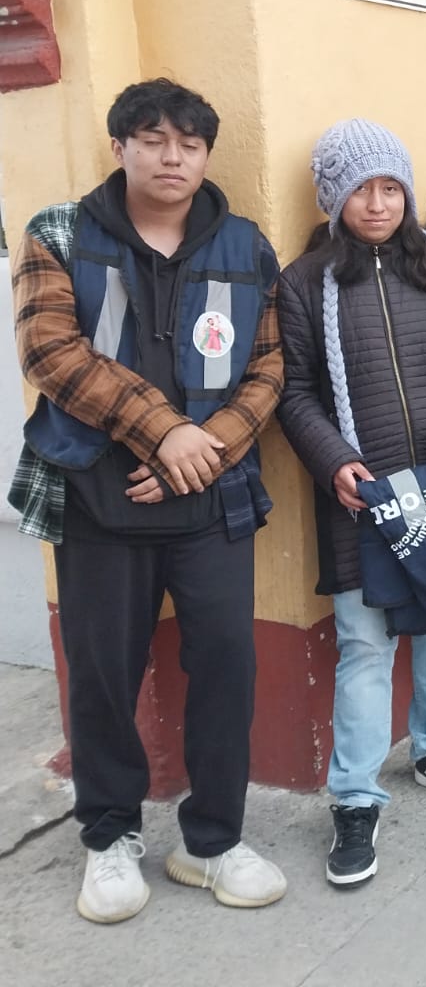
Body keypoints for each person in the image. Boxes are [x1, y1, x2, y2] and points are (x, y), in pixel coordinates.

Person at [9, 79, 287, 922]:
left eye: (190, 144)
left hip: (212, 500)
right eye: (154, 140)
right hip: (99, 500)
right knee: (102, 676)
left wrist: (203, 449)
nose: (173, 158)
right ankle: (109, 836)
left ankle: (212, 842)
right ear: (120, 146)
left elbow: (269, 367)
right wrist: (165, 432)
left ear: (206, 155)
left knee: (227, 669)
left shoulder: (245, 245)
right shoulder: (59, 234)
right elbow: (51, 352)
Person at [276, 120, 426, 889]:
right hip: (362, 496)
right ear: (333, 198)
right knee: (365, 642)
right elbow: (296, 392)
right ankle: (354, 795)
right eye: (360, 190)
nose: (377, 204)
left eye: (389, 188)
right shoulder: (304, 284)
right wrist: (333, 459)